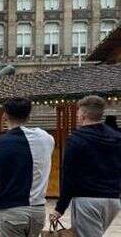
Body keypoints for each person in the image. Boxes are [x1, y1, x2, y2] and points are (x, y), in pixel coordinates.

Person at [50, 96, 121, 237]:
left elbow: (69, 176)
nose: (77, 115)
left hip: (87, 200)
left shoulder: (77, 139)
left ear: (83, 114)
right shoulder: (117, 137)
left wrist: (60, 208)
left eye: (77, 112)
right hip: (113, 200)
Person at [0, 98, 54, 237]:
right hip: (38, 211)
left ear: (5, 115)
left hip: (12, 211)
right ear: (28, 116)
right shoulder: (46, 138)